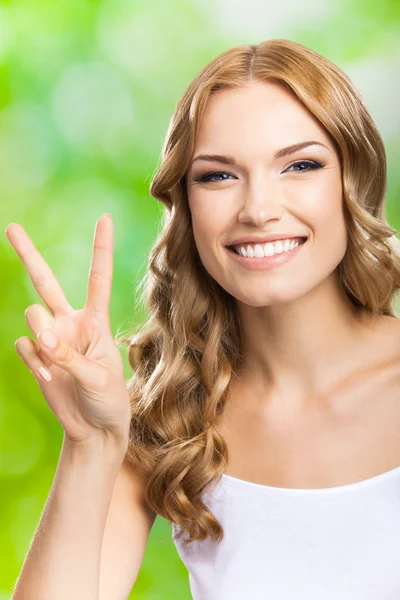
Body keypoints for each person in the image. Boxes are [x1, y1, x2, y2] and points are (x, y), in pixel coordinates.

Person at [6, 38, 400, 599]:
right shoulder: (169, 419)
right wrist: (90, 445)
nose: (259, 209)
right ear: (186, 206)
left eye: (301, 165)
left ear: (352, 181)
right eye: (218, 176)